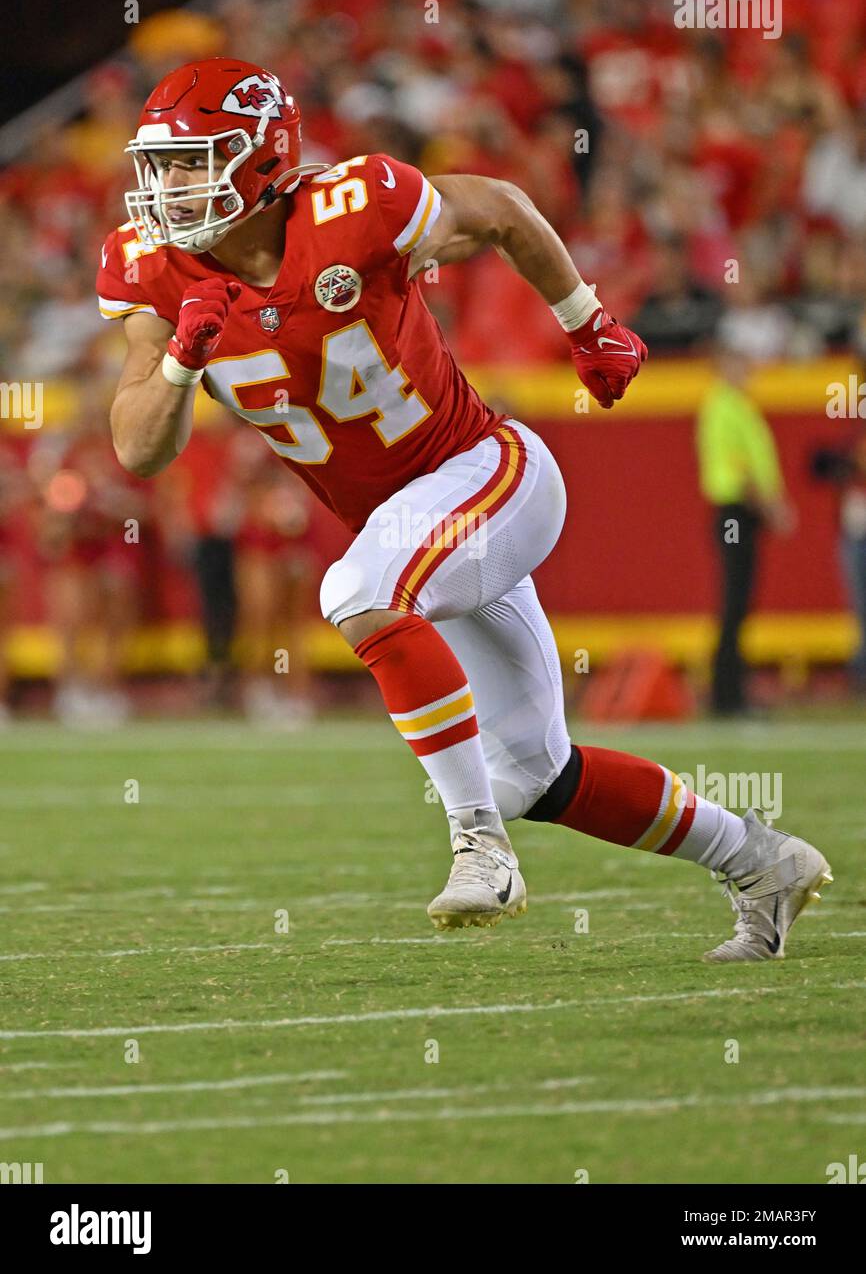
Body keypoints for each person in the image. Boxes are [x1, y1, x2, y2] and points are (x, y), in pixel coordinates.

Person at [99, 58, 830, 962]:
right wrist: (179, 359)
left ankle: (479, 845)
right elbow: (138, 448)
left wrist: (585, 321)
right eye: (161, 166)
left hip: (489, 471)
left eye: (193, 162)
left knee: (359, 592)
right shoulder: (154, 270)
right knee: (537, 772)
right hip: (420, 531)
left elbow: (501, 208)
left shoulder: (355, 205)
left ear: (263, 159)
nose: (169, 187)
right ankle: (762, 860)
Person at [696, 345, 795, 716]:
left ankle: (729, 692)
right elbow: (742, 468)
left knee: (738, 602)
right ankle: (728, 696)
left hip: (740, 514)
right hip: (735, 514)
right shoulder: (725, 406)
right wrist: (772, 507)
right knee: (735, 600)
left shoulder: (734, 405)